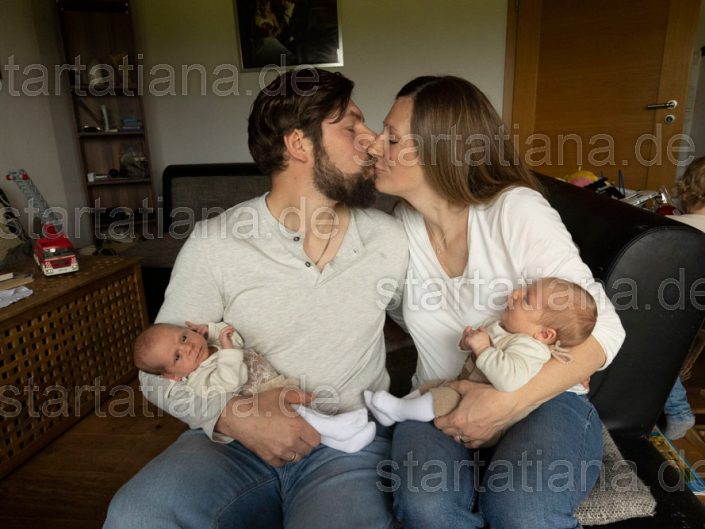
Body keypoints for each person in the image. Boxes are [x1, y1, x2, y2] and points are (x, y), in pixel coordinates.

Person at [103, 69, 409, 529]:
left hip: (346, 443)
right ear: (299, 144)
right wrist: (234, 418)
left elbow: (439, 325)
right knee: (135, 516)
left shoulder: (389, 238)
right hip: (233, 444)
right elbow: (155, 374)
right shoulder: (215, 243)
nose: (371, 140)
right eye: (351, 126)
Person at [366, 75, 626, 529]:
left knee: (521, 508)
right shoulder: (398, 228)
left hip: (542, 398)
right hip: (438, 394)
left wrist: (506, 403)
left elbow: (607, 327)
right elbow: (392, 310)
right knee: (426, 507)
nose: (373, 145)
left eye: (391, 137)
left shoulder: (513, 210)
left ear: (441, 150)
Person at [365, 278, 597, 448]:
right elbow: (478, 349)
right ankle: (391, 412)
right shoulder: (506, 327)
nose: (516, 293)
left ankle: (399, 411)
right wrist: (468, 342)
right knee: (430, 387)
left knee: (439, 398)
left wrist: (483, 348)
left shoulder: (531, 349)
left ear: (544, 334)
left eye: (527, 298)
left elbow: (509, 380)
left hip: (483, 412)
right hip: (464, 386)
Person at [133, 321, 377, 453]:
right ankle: (337, 427)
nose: (187, 348)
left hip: (272, 384)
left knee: (307, 410)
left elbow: (235, 337)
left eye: (184, 337)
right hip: (261, 403)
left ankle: (342, 442)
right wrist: (227, 349)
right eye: (177, 357)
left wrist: (214, 330)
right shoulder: (199, 378)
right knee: (301, 415)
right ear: (173, 377)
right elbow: (231, 381)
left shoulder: (211, 345)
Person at [661, 156, 705, 439]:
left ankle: (677, 409)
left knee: (655, 343)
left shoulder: (670, 227)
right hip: (696, 315)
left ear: (686, 191)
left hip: (676, 313)